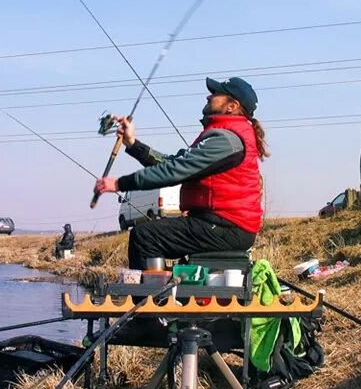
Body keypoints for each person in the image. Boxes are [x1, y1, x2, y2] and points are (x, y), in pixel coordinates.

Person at [94, 76, 268, 269]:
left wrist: (119, 184)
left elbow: (175, 171)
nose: (209, 97)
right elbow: (173, 162)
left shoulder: (226, 139)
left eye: (216, 93)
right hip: (221, 224)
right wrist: (133, 144)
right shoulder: (224, 133)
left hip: (228, 227)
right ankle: (164, 291)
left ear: (232, 106)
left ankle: (151, 299)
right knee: (148, 234)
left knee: (145, 236)